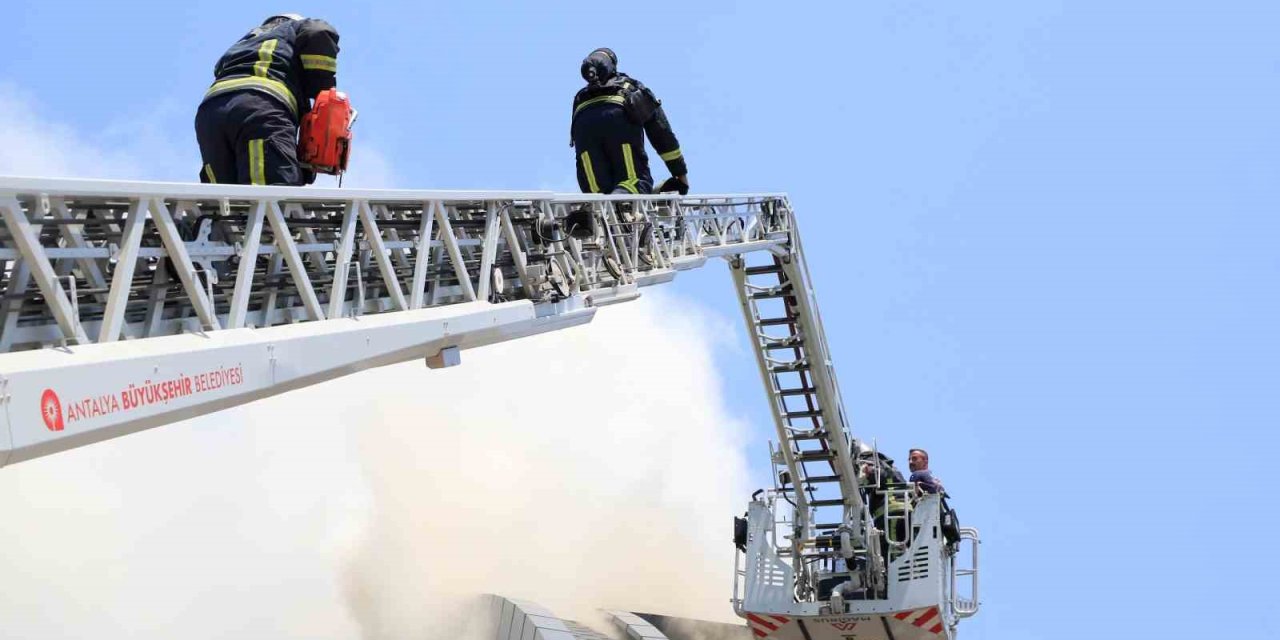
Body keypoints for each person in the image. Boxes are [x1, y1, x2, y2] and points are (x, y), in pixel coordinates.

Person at [196, 14, 340, 185]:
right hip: (259, 108)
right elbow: (318, 31)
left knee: (223, 200)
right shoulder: (295, 27)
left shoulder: (244, 43)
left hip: (210, 116)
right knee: (273, 194)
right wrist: (322, 91)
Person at [570, 48, 689, 196]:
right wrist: (680, 173)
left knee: (597, 193)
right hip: (617, 118)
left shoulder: (581, 97)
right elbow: (662, 133)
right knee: (634, 181)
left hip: (583, 125)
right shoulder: (630, 87)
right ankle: (624, 197)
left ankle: (594, 212)